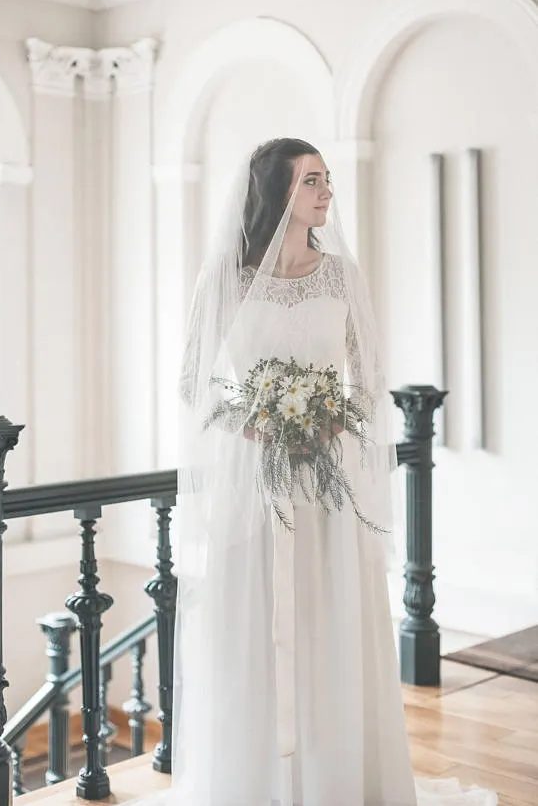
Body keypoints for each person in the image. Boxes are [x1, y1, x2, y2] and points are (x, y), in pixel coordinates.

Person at [131, 139, 496, 805]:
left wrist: (332, 419)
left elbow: (371, 376)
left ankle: (337, 779)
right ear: (278, 191)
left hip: (329, 486)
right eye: (312, 180)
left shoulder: (341, 276)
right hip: (254, 488)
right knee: (254, 634)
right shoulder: (224, 279)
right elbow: (192, 381)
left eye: (328, 179)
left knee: (330, 629)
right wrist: (255, 421)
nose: (327, 192)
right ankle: (255, 782)